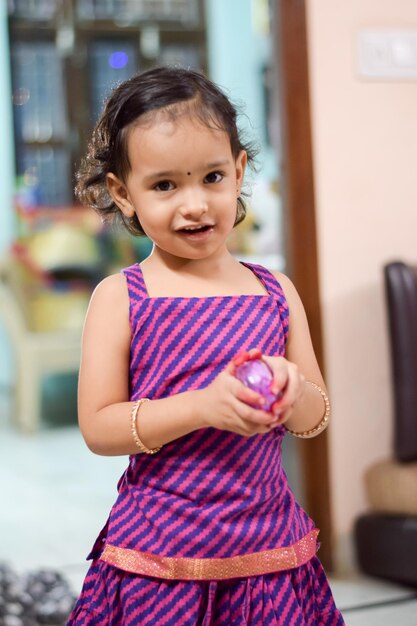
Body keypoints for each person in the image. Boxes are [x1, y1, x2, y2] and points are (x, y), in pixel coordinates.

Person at [68, 66, 345, 625]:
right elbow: (99, 427)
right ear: (123, 194)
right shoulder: (121, 296)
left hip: (269, 547)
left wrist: (293, 394)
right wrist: (200, 407)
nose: (194, 204)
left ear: (239, 172)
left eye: (212, 177)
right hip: (159, 554)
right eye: (165, 185)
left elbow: (316, 414)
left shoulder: (274, 291)